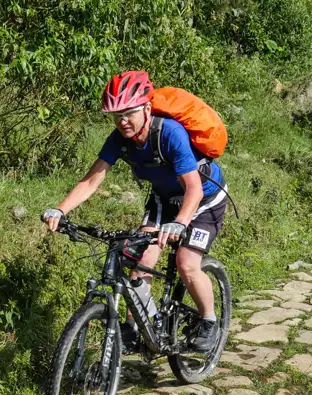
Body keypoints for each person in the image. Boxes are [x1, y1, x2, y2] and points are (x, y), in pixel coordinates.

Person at [42, 70, 228, 353]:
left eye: (128, 113)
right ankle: (138, 324)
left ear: (147, 108)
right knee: (140, 259)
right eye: (116, 115)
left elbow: (194, 189)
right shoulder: (119, 138)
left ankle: (209, 321)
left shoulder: (170, 133)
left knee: (186, 263)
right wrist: (60, 209)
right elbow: (93, 179)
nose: (122, 121)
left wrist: (179, 223)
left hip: (204, 200)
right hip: (164, 199)